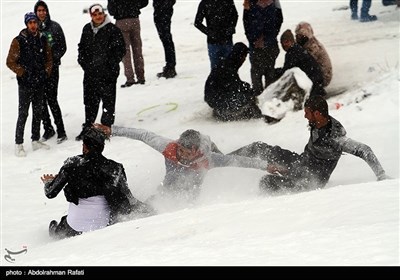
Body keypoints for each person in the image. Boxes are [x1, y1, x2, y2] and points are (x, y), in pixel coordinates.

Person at [228, 95, 390, 195]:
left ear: (317, 114)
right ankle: (220, 160)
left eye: (307, 113)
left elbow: (364, 150)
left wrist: (381, 175)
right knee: (258, 148)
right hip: (300, 162)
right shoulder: (317, 123)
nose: (305, 116)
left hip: (310, 180)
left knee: (266, 183)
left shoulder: (335, 137)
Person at [94, 124, 284, 201]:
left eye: (184, 152)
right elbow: (143, 135)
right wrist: (111, 130)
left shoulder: (208, 159)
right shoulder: (169, 147)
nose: (180, 154)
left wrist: (266, 166)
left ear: (194, 151)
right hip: (171, 185)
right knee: (166, 191)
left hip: (201, 167)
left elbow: (238, 161)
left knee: (192, 191)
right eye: (179, 149)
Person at [41, 127, 154, 240]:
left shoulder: (71, 164)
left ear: (84, 147)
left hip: (74, 226)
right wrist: (146, 208)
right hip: (103, 225)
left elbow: (50, 193)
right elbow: (128, 197)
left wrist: (48, 182)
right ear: (103, 147)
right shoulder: (116, 168)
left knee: (58, 226)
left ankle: (56, 233)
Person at [76, 4, 126, 141]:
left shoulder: (113, 29)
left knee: (108, 102)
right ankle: (89, 127)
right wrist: (85, 63)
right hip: (91, 73)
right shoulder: (87, 29)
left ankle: (106, 127)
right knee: (90, 101)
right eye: (95, 15)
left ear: (103, 14)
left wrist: (109, 65)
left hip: (107, 73)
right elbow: (81, 49)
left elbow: (120, 50)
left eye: (100, 14)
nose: (98, 17)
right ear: (91, 16)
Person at [6, 12, 52, 157]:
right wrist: (23, 73)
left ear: (38, 23)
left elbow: (49, 59)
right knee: (23, 113)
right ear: (26, 24)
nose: (33, 25)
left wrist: (46, 73)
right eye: (30, 22)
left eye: (35, 22)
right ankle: (18, 143)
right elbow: (10, 62)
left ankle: (35, 140)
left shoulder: (43, 39)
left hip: (39, 82)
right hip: (25, 84)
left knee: (38, 111)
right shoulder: (18, 40)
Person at [204, 42, 279, 123]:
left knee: (245, 93)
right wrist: (247, 90)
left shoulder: (228, 63)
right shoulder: (228, 67)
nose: (244, 60)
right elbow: (234, 87)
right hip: (216, 100)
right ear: (239, 56)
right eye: (244, 57)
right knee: (245, 97)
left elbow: (233, 84)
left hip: (215, 98)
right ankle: (258, 117)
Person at [34, 1, 68, 144]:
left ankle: (61, 131)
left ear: (47, 11)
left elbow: (62, 47)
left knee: (52, 99)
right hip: (38, 71)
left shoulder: (55, 27)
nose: (41, 13)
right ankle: (48, 128)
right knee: (41, 100)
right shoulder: (32, 27)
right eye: (39, 10)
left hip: (52, 69)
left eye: (43, 10)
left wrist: (51, 60)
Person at [272, 29, 326, 110]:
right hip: (317, 80)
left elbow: (286, 72)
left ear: (290, 41)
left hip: (313, 83)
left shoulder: (293, 52)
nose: (283, 45)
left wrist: (274, 73)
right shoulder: (297, 49)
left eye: (285, 42)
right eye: (282, 43)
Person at [243, 0, 283, 95]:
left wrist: (271, 36)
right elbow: (246, 22)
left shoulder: (274, 2)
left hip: (269, 44)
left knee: (268, 72)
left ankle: (268, 96)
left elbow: (279, 19)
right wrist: (252, 38)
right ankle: (259, 96)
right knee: (257, 74)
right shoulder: (249, 3)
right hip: (256, 45)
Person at [107, 0, 148, 87]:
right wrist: (134, 7)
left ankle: (130, 78)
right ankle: (141, 76)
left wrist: (120, 10)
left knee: (125, 52)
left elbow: (111, 10)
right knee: (137, 49)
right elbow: (144, 2)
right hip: (134, 19)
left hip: (121, 21)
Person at [194, 0, 238, 70]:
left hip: (226, 40)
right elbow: (197, 23)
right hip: (214, 42)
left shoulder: (228, 1)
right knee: (216, 70)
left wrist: (231, 27)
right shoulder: (205, 3)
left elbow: (235, 15)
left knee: (230, 68)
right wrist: (209, 33)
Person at [294, 21, 332, 88]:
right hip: (319, 74)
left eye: (299, 35)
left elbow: (306, 63)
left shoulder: (313, 46)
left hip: (322, 77)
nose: (297, 38)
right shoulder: (308, 42)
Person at [153, 0, 177, 79]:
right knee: (166, 39)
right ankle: (170, 65)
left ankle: (170, 66)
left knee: (166, 39)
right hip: (163, 9)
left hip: (162, 10)